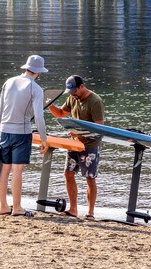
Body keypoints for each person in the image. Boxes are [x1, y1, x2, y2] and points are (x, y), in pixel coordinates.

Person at [0, 54, 49, 217]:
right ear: (38, 72)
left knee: (4, 170)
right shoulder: (36, 89)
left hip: (4, 130)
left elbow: (0, 110)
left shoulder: (9, 82)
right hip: (22, 133)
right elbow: (39, 117)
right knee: (17, 170)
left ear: (26, 68)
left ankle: (3, 206)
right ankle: (17, 208)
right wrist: (44, 139)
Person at [49, 75, 105, 220]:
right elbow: (61, 113)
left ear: (82, 86)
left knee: (90, 178)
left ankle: (90, 212)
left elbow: (100, 129)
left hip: (90, 145)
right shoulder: (72, 98)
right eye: (70, 91)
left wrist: (78, 130)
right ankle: (73, 209)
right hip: (74, 143)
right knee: (68, 173)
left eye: (74, 90)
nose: (73, 94)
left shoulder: (95, 101)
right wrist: (48, 104)